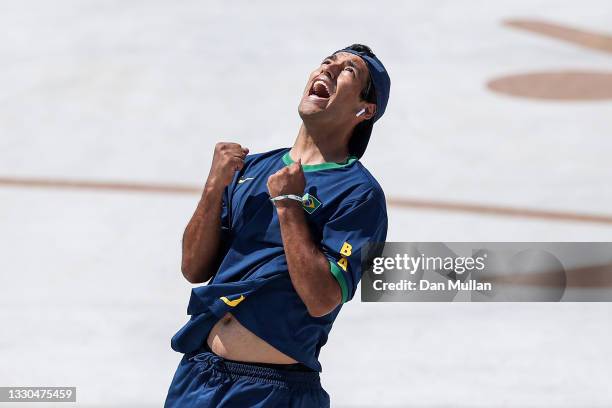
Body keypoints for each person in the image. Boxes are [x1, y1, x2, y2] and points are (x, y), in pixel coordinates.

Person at [165, 43, 390, 407]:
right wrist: (213, 186)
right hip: (199, 377)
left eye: (348, 71)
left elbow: (322, 299)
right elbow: (193, 268)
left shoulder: (359, 194)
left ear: (365, 109)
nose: (328, 70)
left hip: (273, 391)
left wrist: (288, 205)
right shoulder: (252, 169)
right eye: (326, 62)